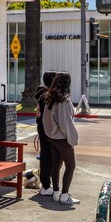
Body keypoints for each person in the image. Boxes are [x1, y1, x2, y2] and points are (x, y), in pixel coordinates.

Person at [42, 72, 80, 205]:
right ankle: (65, 195)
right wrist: (73, 140)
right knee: (71, 165)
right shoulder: (64, 99)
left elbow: (45, 119)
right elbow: (66, 123)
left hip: (51, 136)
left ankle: (56, 192)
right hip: (62, 138)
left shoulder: (49, 97)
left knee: (56, 164)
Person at [34, 71, 58, 197]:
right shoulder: (47, 96)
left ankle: (46, 184)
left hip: (42, 127)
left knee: (46, 155)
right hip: (46, 129)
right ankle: (46, 185)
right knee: (47, 156)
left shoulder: (41, 94)